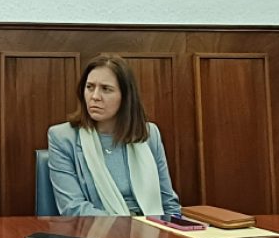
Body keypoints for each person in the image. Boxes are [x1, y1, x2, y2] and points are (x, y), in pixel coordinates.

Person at [47, 54, 181, 217]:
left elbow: (168, 203)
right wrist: (132, 228)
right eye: (90, 87)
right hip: (98, 233)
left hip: (153, 231)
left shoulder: (149, 134)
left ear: (125, 97)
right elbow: (73, 209)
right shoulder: (63, 137)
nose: (95, 96)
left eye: (106, 89)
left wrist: (179, 233)